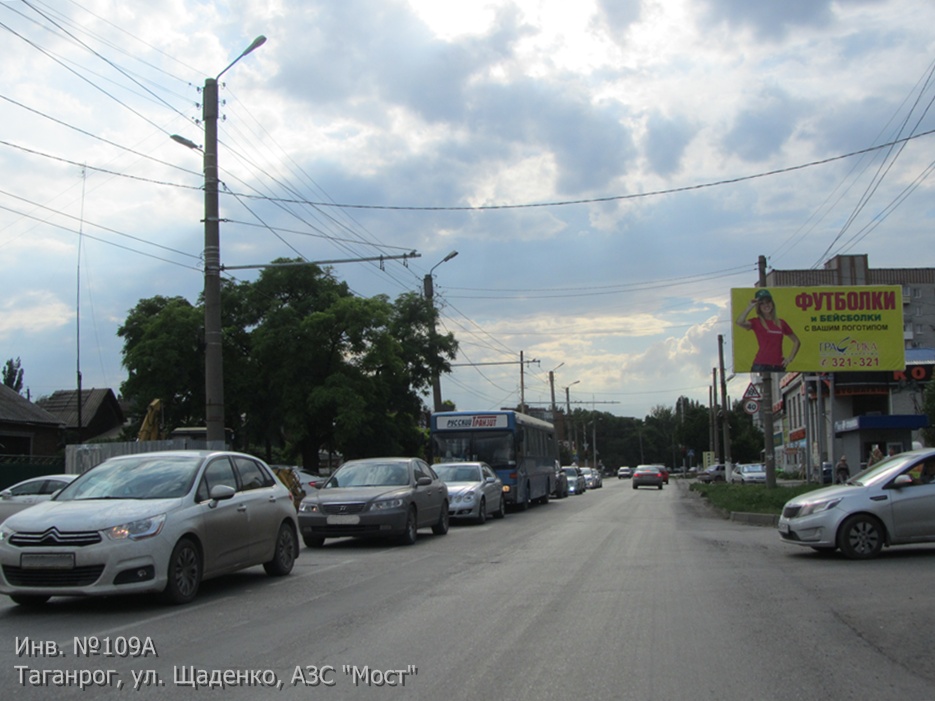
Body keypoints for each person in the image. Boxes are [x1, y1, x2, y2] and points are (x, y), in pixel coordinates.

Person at [735, 289, 800, 372]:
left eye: (768, 302)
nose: (766, 305)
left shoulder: (781, 323)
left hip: (778, 366)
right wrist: (749, 307)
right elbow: (739, 322)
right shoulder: (756, 322)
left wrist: (790, 358)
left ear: (772, 304)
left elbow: (796, 341)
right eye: (762, 303)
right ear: (759, 307)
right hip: (760, 365)